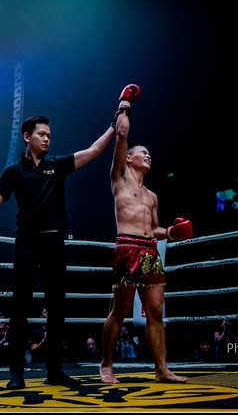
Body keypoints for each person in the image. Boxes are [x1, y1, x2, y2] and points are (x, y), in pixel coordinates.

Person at [0, 104, 117, 390]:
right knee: (20, 308)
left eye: (49, 135)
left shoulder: (57, 164)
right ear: (27, 136)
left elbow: (93, 151)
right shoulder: (13, 171)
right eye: (41, 134)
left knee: (57, 309)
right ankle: (16, 372)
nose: (47, 139)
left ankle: (54, 370)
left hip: (54, 242)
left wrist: (115, 125)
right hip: (27, 242)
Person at [99, 84, 192, 384]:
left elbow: (153, 229)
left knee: (156, 310)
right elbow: (121, 134)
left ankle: (161, 369)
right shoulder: (119, 177)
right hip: (126, 247)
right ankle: (106, 364)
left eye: (150, 153)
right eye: (143, 153)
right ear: (129, 159)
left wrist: (172, 233)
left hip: (149, 250)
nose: (148, 156)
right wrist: (124, 103)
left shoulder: (152, 196)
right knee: (121, 310)